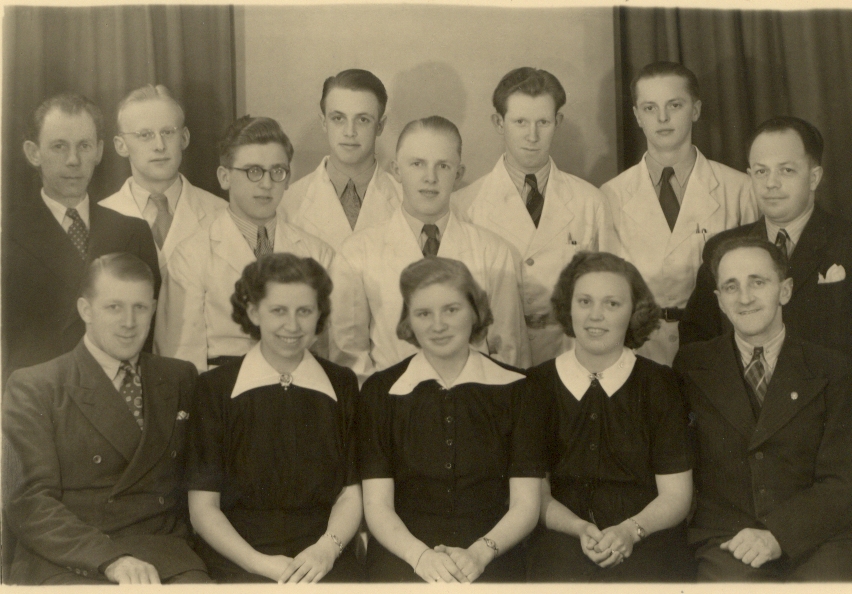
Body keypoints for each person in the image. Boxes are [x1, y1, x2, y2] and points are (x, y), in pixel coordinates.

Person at [2, 253, 210, 585]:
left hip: (165, 555)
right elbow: (28, 500)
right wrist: (110, 560)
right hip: (70, 557)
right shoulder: (36, 386)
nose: (129, 322)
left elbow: (203, 480)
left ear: (154, 309)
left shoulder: (180, 377)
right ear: (86, 310)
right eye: (114, 307)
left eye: (140, 307)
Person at [674, 236, 852, 581]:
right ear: (719, 301)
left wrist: (779, 534)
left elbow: (844, 479)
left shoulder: (833, 369)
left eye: (758, 282)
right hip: (728, 538)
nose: (745, 298)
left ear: (784, 291)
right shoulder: (691, 366)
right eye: (731, 286)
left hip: (820, 536)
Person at [359, 257, 543, 582]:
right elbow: (377, 506)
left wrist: (480, 554)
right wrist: (421, 558)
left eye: (451, 309)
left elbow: (526, 505)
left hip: (494, 550)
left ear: (475, 311)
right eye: (423, 313)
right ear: (408, 320)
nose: (438, 325)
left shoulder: (519, 389)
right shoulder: (380, 392)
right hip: (403, 554)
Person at [186, 253, 363, 583]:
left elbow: (351, 493)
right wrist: (259, 564)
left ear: (319, 313)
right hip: (238, 560)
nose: (292, 326)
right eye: (278, 311)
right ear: (254, 312)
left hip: (325, 558)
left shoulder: (342, 384)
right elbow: (202, 508)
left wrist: (326, 550)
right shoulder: (214, 387)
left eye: (304, 311)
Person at [525, 251, 694, 582]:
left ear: (634, 312)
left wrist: (630, 531)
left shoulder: (660, 383)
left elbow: (676, 496)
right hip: (562, 536)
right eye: (584, 302)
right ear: (568, 307)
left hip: (647, 537)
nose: (595, 316)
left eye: (612, 304)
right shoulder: (537, 384)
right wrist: (578, 528)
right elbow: (535, 494)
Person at [330, 116, 529, 384]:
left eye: (443, 166)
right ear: (396, 170)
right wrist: (381, 402)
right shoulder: (356, 253)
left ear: (458, 174)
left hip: (475, 400)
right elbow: (349, 355)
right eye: (417, 164)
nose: (430, 178)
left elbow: (509, 351)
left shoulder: (492, 251)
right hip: (392, 401)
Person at [601, 61, 757, 366]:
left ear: (695, 110)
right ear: (637, 116)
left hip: (719, 346)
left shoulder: (739, 189)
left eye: (674, 105)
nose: (662, 118)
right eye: (649, 108)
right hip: (638, 350)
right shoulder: (610, 196)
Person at [453, 67, 608, 365]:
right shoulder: (464, 206)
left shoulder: (590, 201)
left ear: (557, 122)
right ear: (499, 123)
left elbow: (608, 291)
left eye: (543, 122)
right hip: (495, 356)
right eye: (520, 122)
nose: (532, 136)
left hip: (571, 354)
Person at [156, 115, 333, 372]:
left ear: (287, 179)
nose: (266, 184)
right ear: (225, 177)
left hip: (300, 383)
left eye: (277, 171)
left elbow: (329, 351)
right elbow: (181, 362)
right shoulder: (191, 256)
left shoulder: (318, 253)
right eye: (253, 171)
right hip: (223, 388)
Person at [3, 93, 160, 377]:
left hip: (114, 390)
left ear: (99, 151)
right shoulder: (7, 233)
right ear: (33, 152)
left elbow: (144, 336)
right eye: (59, 146)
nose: (73, 160)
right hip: (38, 393)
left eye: (84, 146)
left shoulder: (132, 232)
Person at [681, 116, 852, 357]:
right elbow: (696, 341)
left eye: (786, 170)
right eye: (761, 171)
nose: (771, 183)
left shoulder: (846, 241)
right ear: (750, 175)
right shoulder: (722, 248)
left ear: (814, 177)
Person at [101, 84, 227, 286]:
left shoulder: (221, 214)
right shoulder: (100, 217)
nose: (159, 146)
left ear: (184, 138)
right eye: (145, 135)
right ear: (121, 145)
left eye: (168, 132)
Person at [279, 69, 401, 249]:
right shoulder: (287, 204)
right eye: (338, 118)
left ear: (380, 126)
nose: (349, 132)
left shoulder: (406, 200)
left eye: (363, 120)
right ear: (324, 123)